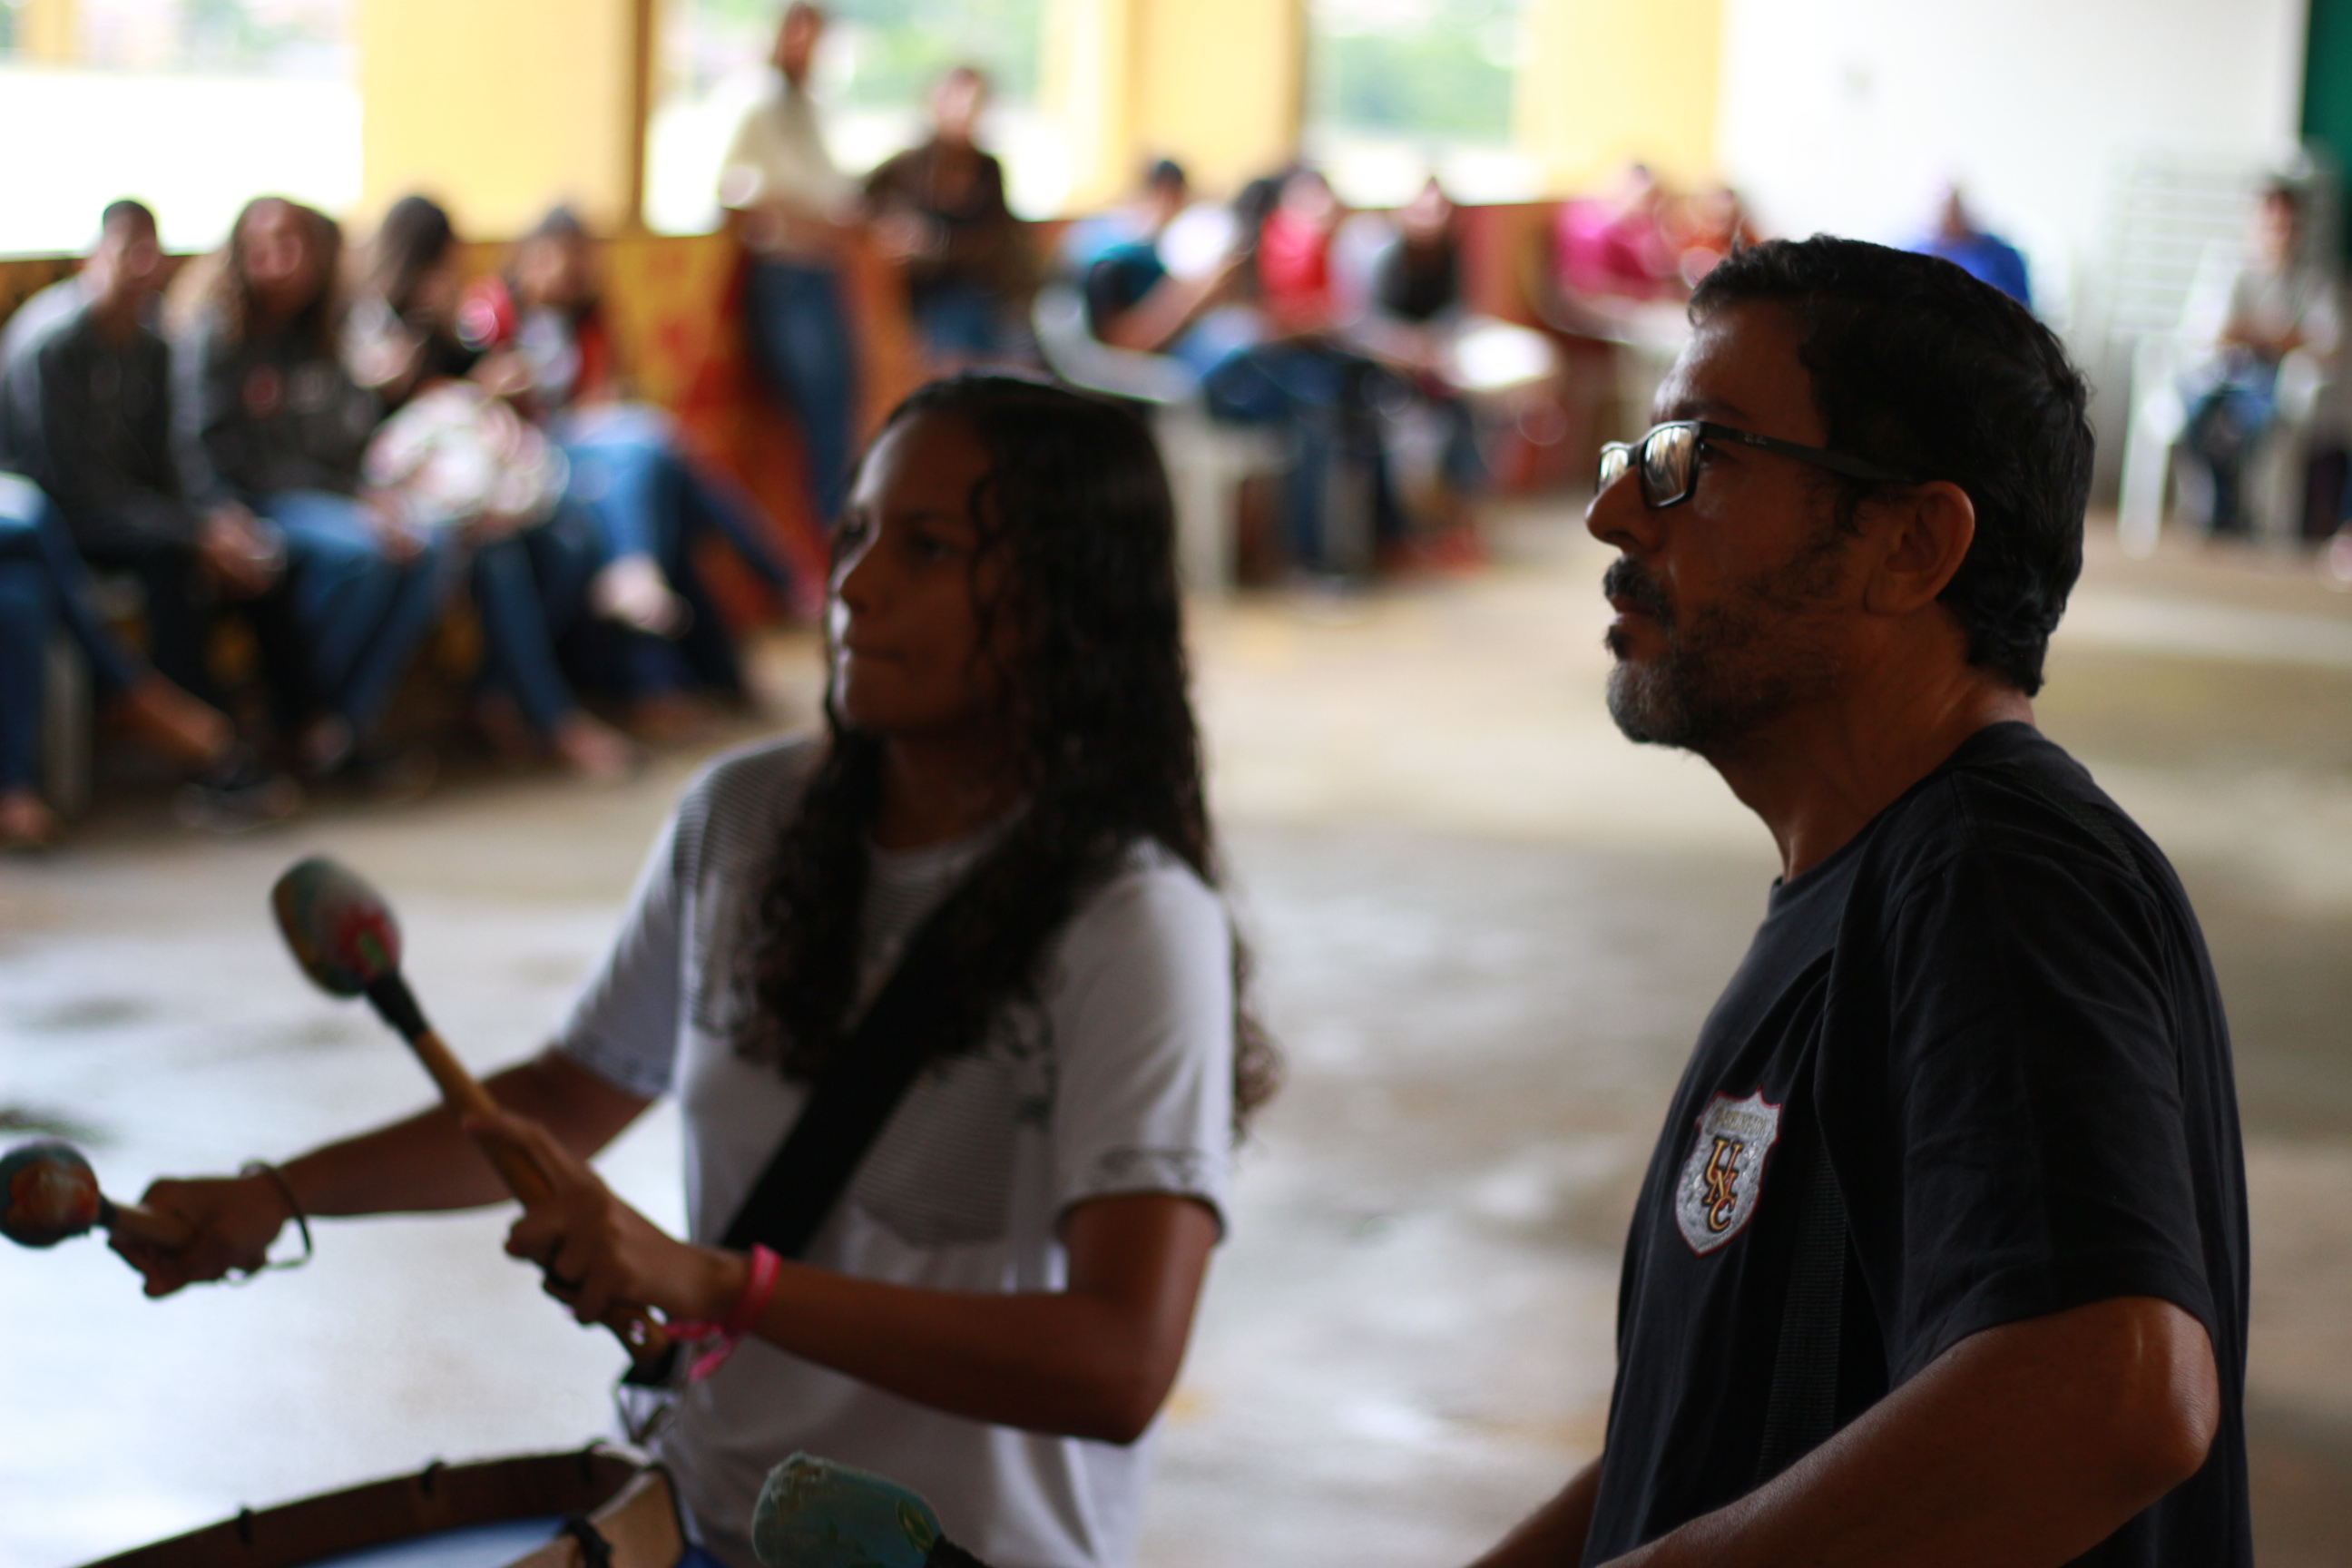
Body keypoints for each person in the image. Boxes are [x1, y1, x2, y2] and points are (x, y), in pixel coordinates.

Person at [114, 375, 1279, 1568]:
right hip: (703, 1527)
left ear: (1071, 606)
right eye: (858, 534)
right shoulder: (744, 817)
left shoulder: (1132, 923)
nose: (856, 586)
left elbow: (1120, 1361)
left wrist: (725, 1284)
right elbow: (570, 1096)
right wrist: (281, 1194)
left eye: (928, 549)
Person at [1468, 237, 2245, 1566]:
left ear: (1909, 544)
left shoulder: (1998, 879)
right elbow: (1712, 1425)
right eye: (1630, 459)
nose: (1614, 516)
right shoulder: (1873, 882)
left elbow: (2109, 1393)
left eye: (1691, 460)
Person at [0, 200, 301, 828]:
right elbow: (62, 486)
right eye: (124, 251)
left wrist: (212, 520)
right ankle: (161, 712)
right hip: (59, 518)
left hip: (102, 530)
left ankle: (242, 739)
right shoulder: (48, 346)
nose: (138, 268)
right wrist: (188, 531)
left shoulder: (154, 343)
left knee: (230, 558)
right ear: (91, 258)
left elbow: (175, 457)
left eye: (149, 252)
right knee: (47, 535)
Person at [464, 205, 798, 723]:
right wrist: (504, 389)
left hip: (588, 456)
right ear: (529, 256)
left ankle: (667, 648)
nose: (570, 271)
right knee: (654, 449)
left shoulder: (587, 319)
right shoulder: (492, 312)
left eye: (580, 259)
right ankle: (773, 582)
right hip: (526, 461)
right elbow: (471, 400)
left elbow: (607, 394)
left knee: (665, 486)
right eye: (559, 256)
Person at [347, 194, 639, 780]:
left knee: (573, 536)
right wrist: (395, 383)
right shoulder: (365, 322)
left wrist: (483, 376)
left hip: (469, 479)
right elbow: (368, 433)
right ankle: (555, 720)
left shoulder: (446, 315)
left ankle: (498, 692)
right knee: (495, 548)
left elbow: (470, 381)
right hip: (405, 487)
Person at [176, 196, 446, 789]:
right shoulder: (216, 333)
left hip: (325, 496)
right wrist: (219, 520)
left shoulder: (321, 332)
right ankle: (301, 721)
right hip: (248, 505)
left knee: (429, 545)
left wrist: (370, 497)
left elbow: (345, 441)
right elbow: (198, 451)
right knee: (362, 554)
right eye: (265, 246)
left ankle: (339, 727)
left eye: (295, 244)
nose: (281, 259)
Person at [719, 0, 863, 532]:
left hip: (823, 273)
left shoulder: (815, 106)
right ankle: (826, 532)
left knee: (834, 410)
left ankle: (835, 528)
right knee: (815, 408)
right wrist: (806, 220)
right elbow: (738, 195)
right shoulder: (755, 103)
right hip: (784, 277)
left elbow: (837, 196)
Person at [2177, 181, 2339, 537]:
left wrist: (2258, 336)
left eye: (2286, 224)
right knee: (2195, 417)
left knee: (2255, 427)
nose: (2277, 233)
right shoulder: (2226, 266)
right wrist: (2276, 335)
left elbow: (2327, 343)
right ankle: (2224, 508)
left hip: (2271, 383)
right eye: (2270, 223)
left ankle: (2236, 513)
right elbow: (2215, 330)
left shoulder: (2313, 279)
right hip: (2220, 377)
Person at [865, 65, 1026, 372]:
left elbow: (997, 240)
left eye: (975, 101)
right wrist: (894, 233)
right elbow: (860, 208)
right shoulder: (904, 168)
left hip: (986, 296)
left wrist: (938, 245)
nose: (965, 110)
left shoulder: (988, 170)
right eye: (957, 99)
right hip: (926, 302)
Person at [1908, 184, 2032, 307]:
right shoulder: (1917, 256)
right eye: (1947, 210)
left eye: (1956, 209)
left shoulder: (2001, 256)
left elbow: (2020, 304)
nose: (1952, 217)